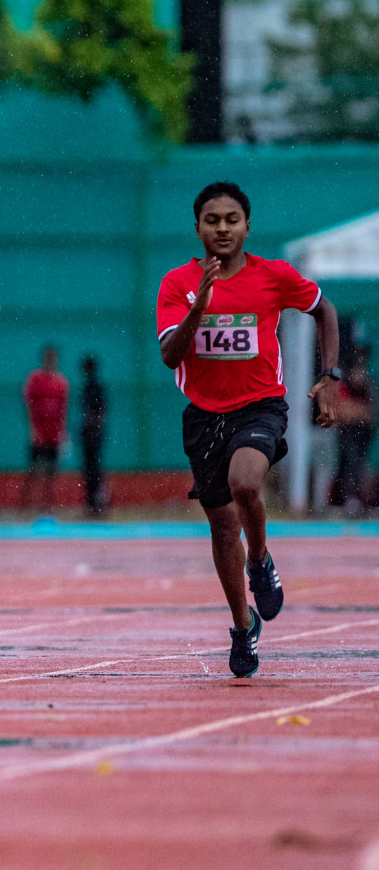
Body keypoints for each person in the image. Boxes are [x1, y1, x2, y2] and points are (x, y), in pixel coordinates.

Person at [158, 181, 340, 678]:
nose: (222, 228)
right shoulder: (177, 283)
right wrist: (200, 307)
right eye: (212, 220)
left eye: (231, 219)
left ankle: (259, 560)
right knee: (220, 526)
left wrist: (330, 376)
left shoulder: (274, 277)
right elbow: (170, 355)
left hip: (260, 406)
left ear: (247, 226)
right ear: (197, 227)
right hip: (203, 415)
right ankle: (243, 625)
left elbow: (324, 309)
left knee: (245, 483)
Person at [22, 347, 68, 513]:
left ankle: (47, 506)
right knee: (34, 470)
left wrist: (62, 433)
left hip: (53, 434)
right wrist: (33, 429)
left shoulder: (61, 382)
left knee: (51, 472)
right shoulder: (35, 378)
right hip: (39, 432)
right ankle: (26, 505)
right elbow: (29, 404)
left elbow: (64, 409)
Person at [332, 345, 374, 515]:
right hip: (346, 432)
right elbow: (342, 412)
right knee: (347, 463)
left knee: (359, 464)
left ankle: (358, 499)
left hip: (362, 432)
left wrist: (355, 412)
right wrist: (356, 412)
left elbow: (368, 414)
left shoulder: (367, 387)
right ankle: (347, 499)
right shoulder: (344, 384)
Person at [80, 355, 108, 515]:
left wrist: (96, 429)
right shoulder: (89, 387)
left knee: (94, 469)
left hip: (93, 435)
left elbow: (101, 410)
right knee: (90, 469)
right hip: (89, 434)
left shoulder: (94, 387)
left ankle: (97, 503)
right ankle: (92, 503)